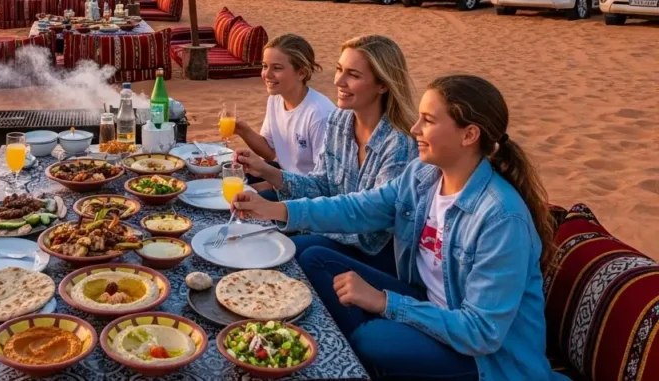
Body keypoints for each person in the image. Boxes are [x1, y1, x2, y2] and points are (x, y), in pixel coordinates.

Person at [233, 75, 562, 381]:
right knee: (316, 257)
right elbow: (356, 208)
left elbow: (482, 331)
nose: (415, 128)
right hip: (429, 302)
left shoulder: (500, 217)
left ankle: (365, 362)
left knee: (373, 338)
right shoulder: (424, 175)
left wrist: (385, 302)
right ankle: (360, 362)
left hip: (489, 359)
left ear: (469, 135)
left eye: (429, 121)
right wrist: (274, 208)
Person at [236, 34, 418, 274]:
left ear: (382, 85)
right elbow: (320, 184)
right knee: (263, 237)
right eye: (339, 69)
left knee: (297, 252)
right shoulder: (339, 121)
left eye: (353, 75)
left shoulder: (399, 145)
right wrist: (265, 170)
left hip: (372, 250)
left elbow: (368, 216)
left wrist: (283, 210)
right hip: (331, 230)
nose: (339, 81)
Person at [232, 34, 336, 178]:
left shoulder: (319, 115)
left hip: (306, 192)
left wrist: (266, 186)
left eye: (277, 68)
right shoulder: (275, 99)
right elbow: (270, 152)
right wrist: (244, 131)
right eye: (264, 66)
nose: (267, 74)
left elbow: (323, 182)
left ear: (301, 73)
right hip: (283, 177)